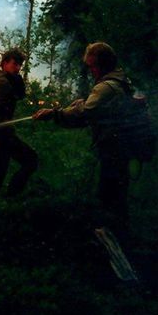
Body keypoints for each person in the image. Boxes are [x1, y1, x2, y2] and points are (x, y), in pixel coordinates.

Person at [33, 42, 133, 225]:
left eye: (92, 66)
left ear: (102, 64)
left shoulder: (106, 87)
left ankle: (111, 236)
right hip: (119, 148)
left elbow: (85, 113)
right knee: (116, 192)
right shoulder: (119, 79)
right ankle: (117, 231)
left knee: (109, 194)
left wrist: (54, 113)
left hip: (113, 149)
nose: (91, 70)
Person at [0, 49, 38, 203]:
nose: (18, 67)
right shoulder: (2, 83)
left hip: (5, 135)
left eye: (20, 65)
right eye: (14, 63)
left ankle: (7, 200)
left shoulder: (6, 80)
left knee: (30, 161)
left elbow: (20, 95)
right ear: (5, 63)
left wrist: (18, 79)